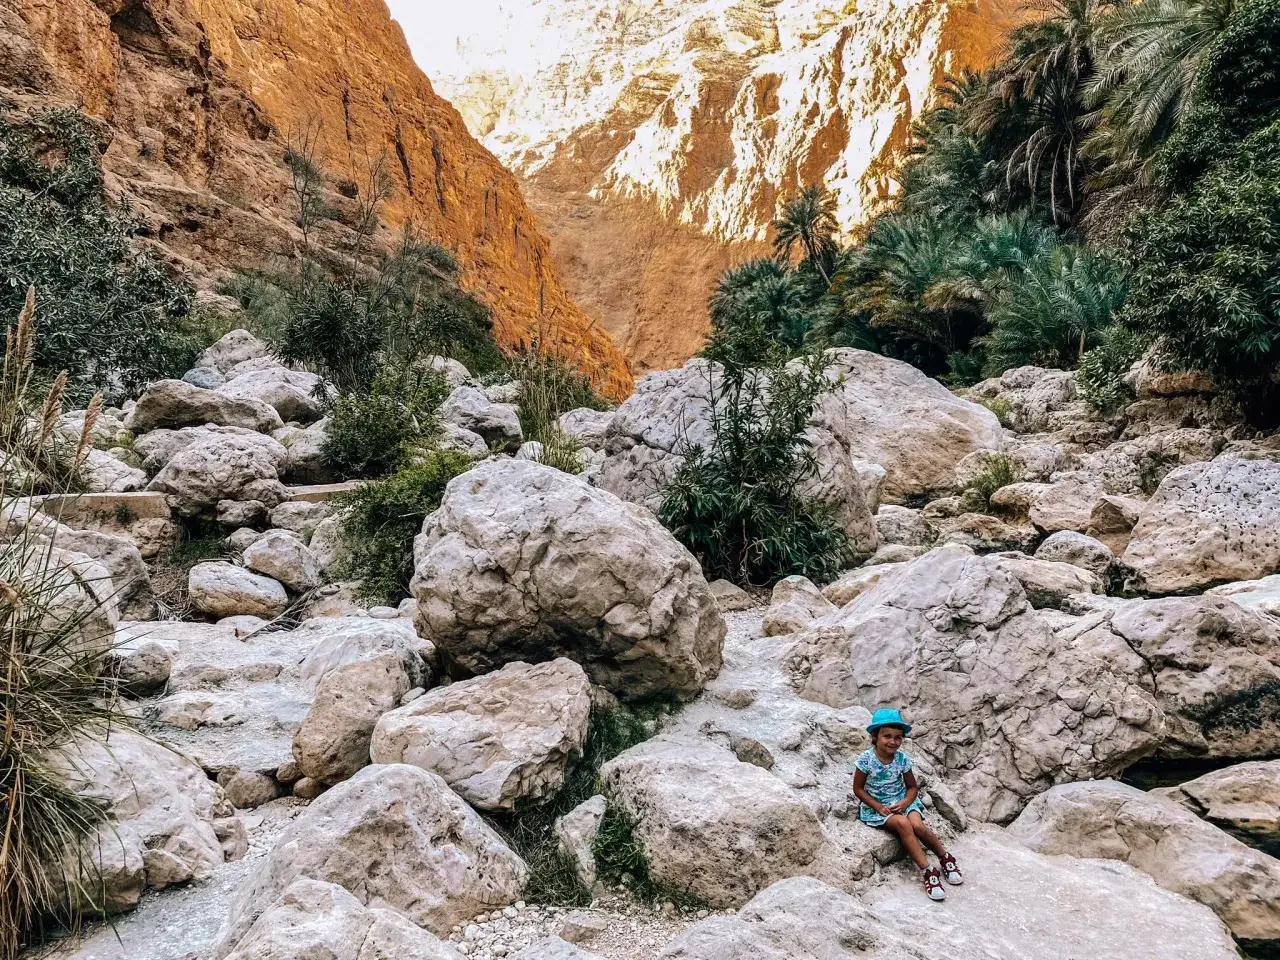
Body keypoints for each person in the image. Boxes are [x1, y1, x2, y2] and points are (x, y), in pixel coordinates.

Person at [852, 708, 963, 902]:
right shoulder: (865, 760)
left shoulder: (902, 759)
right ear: (875, 736)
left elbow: (912, 787)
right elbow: (858, 789)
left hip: (902, 801)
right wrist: (878, 806)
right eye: (887, 736)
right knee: (903, 824)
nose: (893, 742)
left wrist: (905, 802)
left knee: (918, 825)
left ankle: (945, 858)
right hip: (879, 808)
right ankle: (928, 871)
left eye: (898, 737)